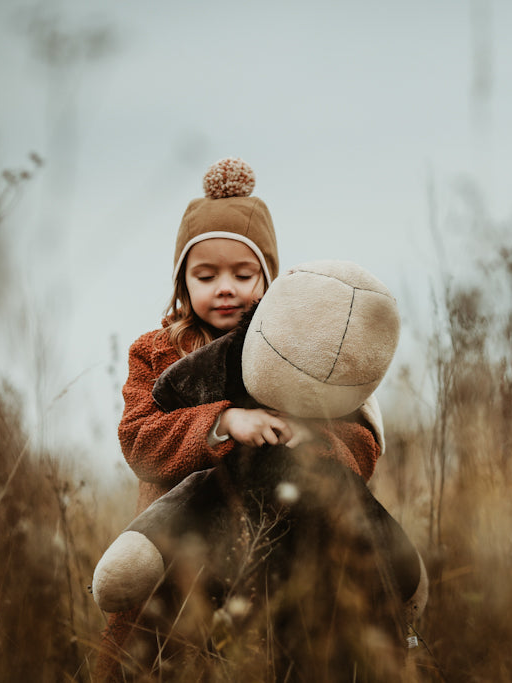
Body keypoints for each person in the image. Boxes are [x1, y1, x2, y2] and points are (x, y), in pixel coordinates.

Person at [94, 158, 382, 681]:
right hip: (180, 555)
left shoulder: (302, 352)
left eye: (243, 274)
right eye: (206, 275)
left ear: (270, 278)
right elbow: (139, 441)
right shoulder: (157, 353)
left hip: (288, 550)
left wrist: (313, 440)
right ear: (182, 281)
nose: (225, 287)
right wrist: (225, 422)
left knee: (284, 656)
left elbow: (361, 441)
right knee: (171, 661)